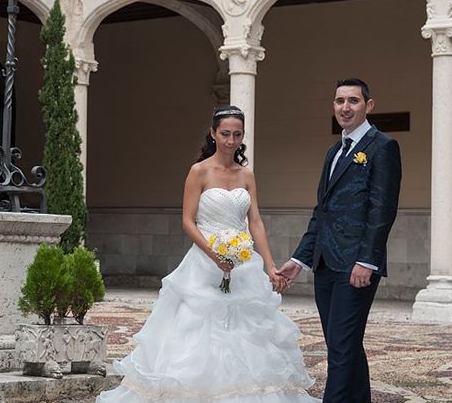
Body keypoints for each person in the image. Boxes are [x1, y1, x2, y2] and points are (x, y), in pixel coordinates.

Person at [96, 106, 320, 403]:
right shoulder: (199, 171)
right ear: (213, 133)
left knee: (246, 329)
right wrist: (214, 254)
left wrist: (269, 265)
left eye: (237, 134)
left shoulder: (247, 174)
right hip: (203, 262)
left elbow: (255, 222)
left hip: (242, 263)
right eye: (225, 134)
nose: (230, 141)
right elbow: (188, 220)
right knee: (197, 328)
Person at [277, 78, 402, 403]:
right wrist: (300, 259)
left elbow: (382, 209)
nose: (345, 107)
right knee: (340, 343)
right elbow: (323, 210)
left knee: (342, 347)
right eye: (339, 101)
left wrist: (367, 261)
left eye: (353, 101)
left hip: (356, 265)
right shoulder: (334, 150)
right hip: (324, 262)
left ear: (368, 106)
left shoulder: (382, 147)